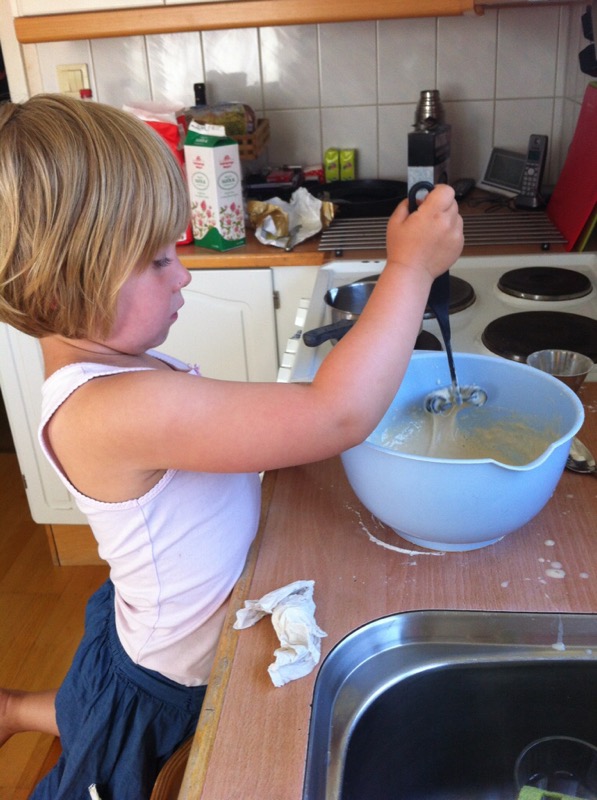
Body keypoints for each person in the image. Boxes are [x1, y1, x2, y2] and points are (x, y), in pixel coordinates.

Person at [0, 93, 463, 799]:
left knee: (91, 711)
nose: (182, 273)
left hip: (149, 637)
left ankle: (9, 710)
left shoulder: (110, 368)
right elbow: (336, 415)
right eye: (158, 260)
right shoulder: (111, 410)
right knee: (115, 755)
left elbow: (249, 432)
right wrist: (410, 271)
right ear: (64, 293)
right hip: (167, 678)